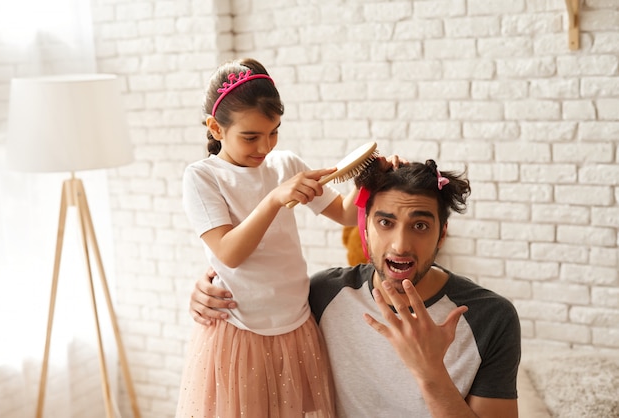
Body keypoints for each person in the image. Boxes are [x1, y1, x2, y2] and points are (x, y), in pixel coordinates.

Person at [189, 159, 521, 418]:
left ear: (442, 233)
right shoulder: (323, 296)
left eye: (420, 225)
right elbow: (260, 295)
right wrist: (206, 290)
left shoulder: (491, 318)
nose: (400, 245)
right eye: (385, 222)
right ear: (364, 225)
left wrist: (430, 372)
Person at [176, 57, 370, 418]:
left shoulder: (286, 165)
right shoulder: (203, 178)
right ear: (215, 128)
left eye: (274, 131)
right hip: (240, 330)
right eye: (250, 136)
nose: (265, 147)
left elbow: (345, 214)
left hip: (294, 324)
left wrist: (369, 181)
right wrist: (275, 198)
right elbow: (229, 252)